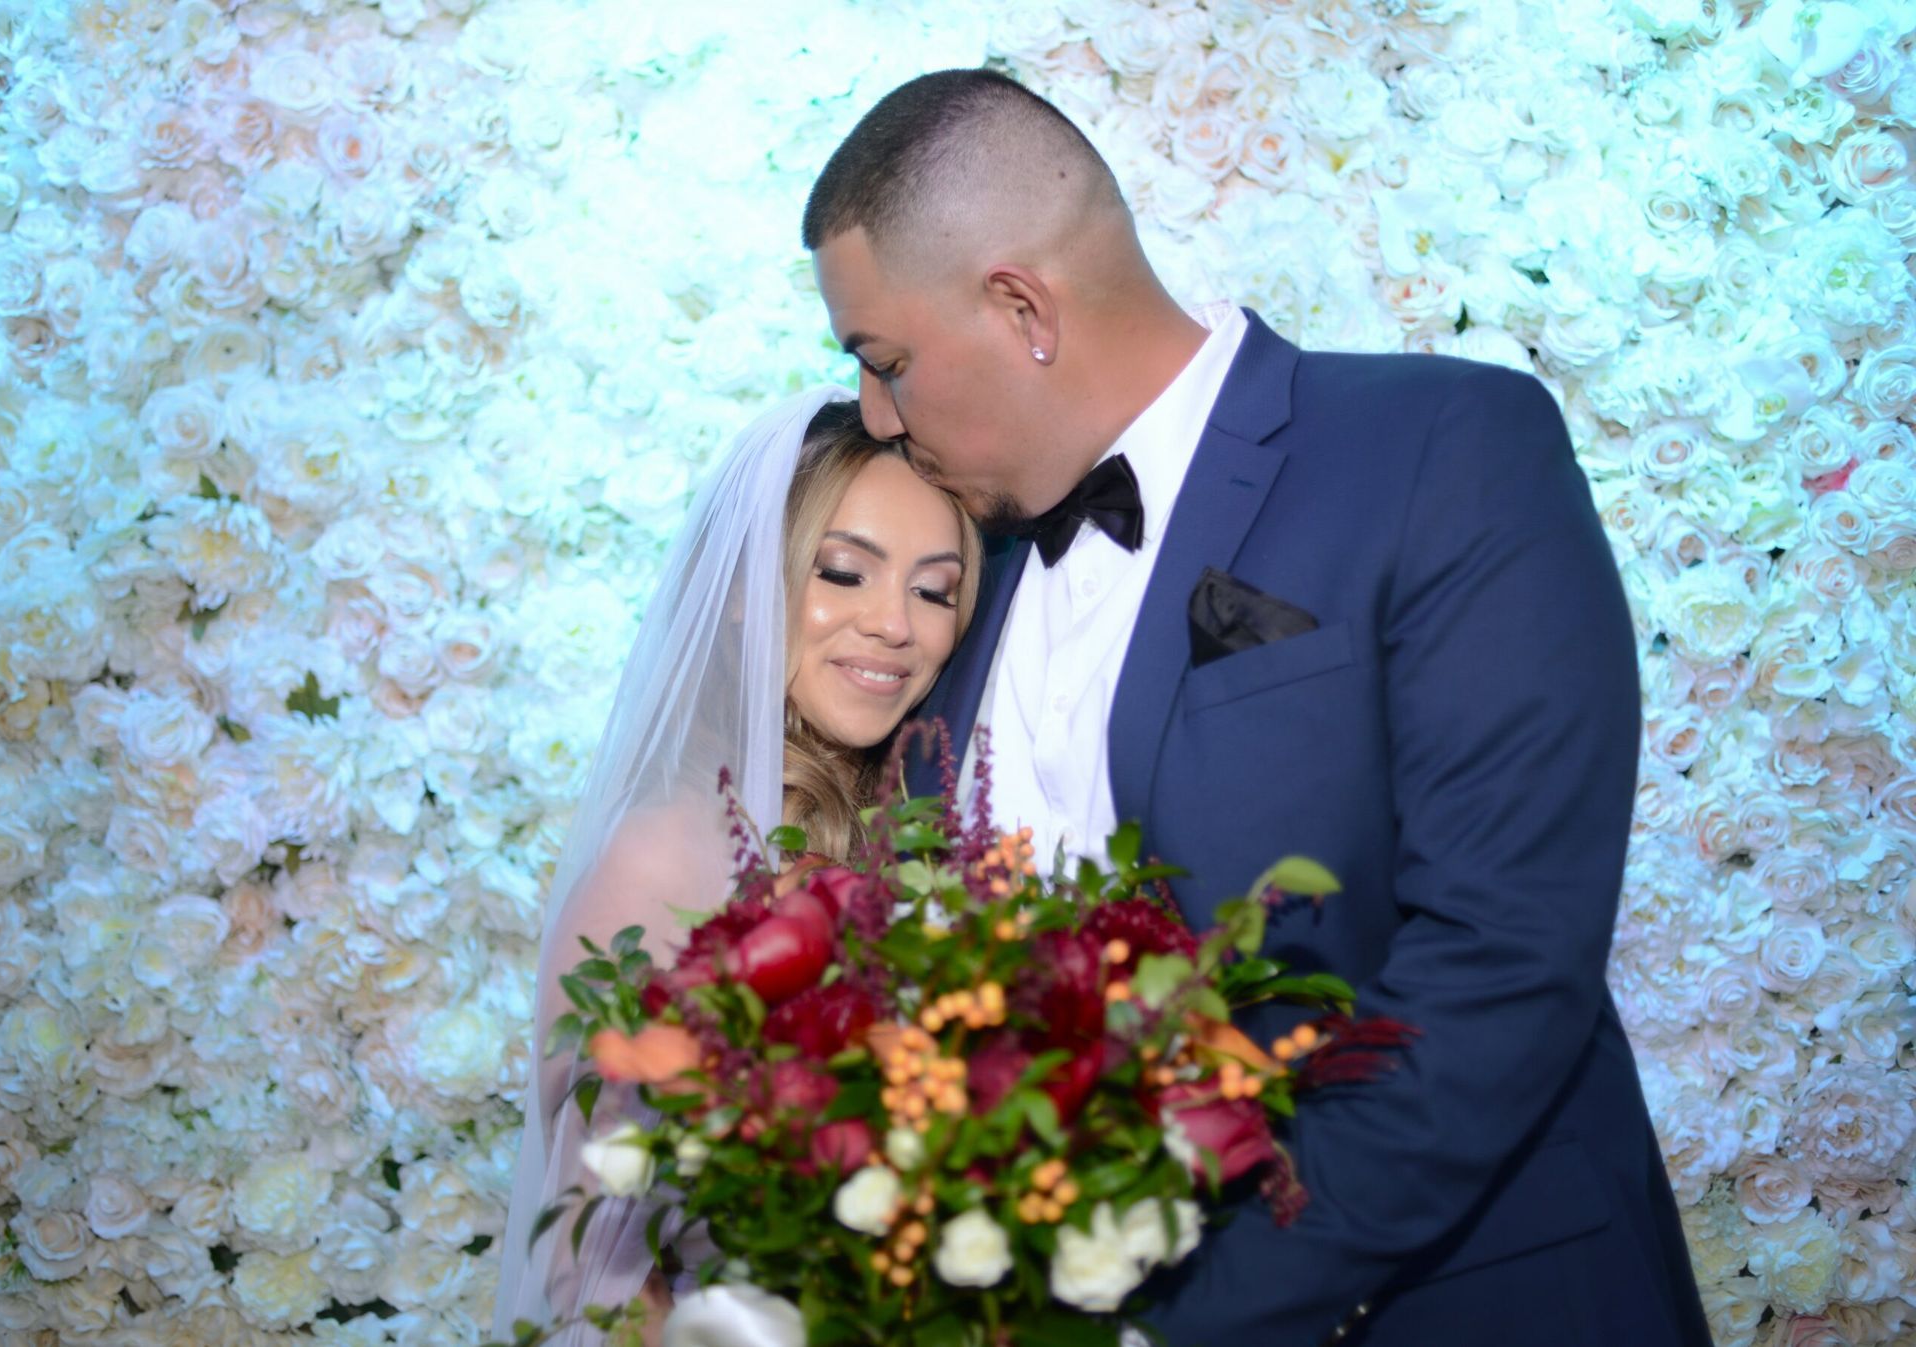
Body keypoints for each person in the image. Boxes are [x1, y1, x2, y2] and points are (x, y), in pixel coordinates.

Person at [805, 70, 1712, 1347]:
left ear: (1021, 306)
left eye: (885, 362)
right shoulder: (957, 585)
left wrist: (1174, 1326)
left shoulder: (1443, 447)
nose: (876, 417)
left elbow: (1500, 965)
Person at [491, 388, 982, 1346]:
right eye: (844, 573)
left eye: (934, 589)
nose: (895, 625)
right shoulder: (663, 855)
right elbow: (588, 1248)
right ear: (749, 592)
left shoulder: (924, 838)